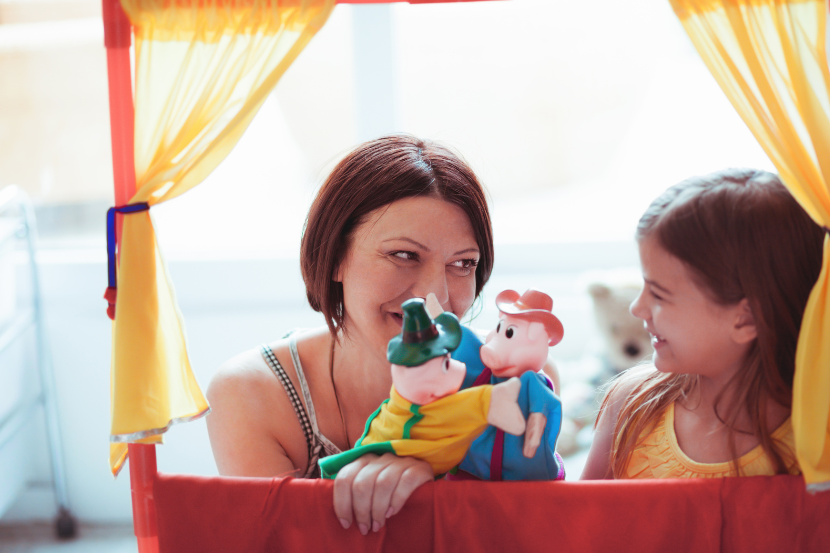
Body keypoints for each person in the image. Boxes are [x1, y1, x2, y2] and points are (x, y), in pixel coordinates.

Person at [207, 134, 559, 535]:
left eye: (463, 263)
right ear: (335, 256)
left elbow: (531, 535)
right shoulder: (250, 393)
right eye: (404, 255)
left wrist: (438, 478)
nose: (437, 297)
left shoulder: (518, 380)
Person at [581, 168, 824, 480]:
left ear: (746, 318)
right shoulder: (629, 404)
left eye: (657, 293)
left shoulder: (815, 441)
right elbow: (579, 523)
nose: (636, 307)